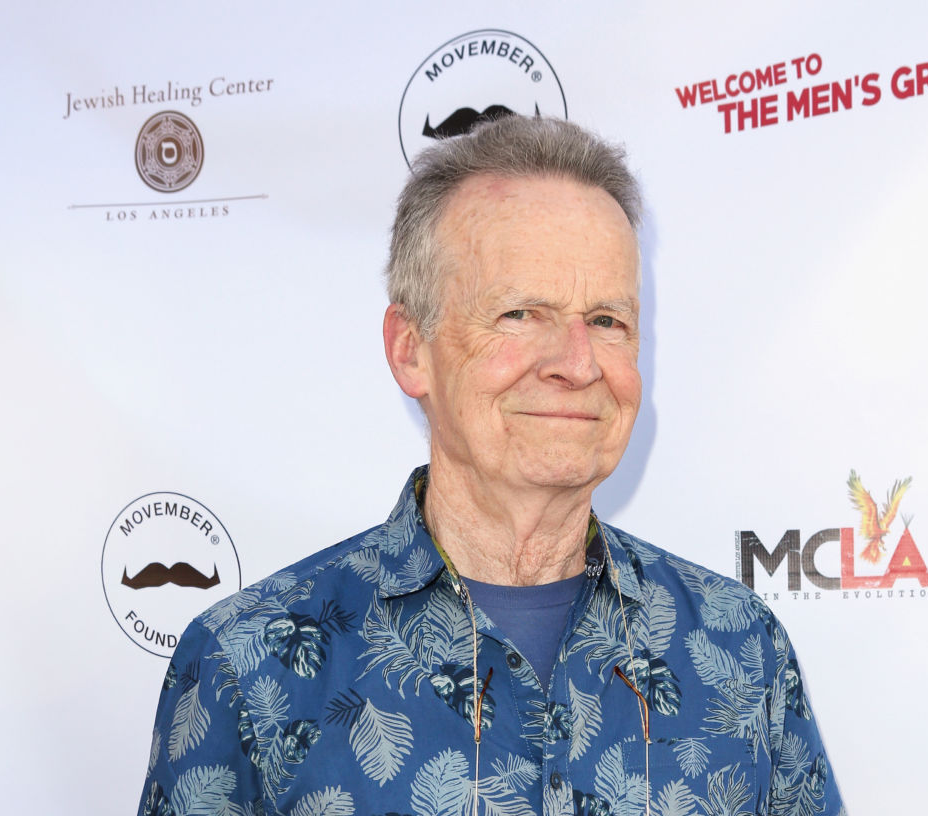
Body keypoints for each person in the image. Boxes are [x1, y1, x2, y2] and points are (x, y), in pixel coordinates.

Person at [138, 115, 844, 816]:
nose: (576, 363)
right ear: (411, 347)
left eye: (607, 321)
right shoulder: (248, 665)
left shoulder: (741, 648)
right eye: (519, 313)